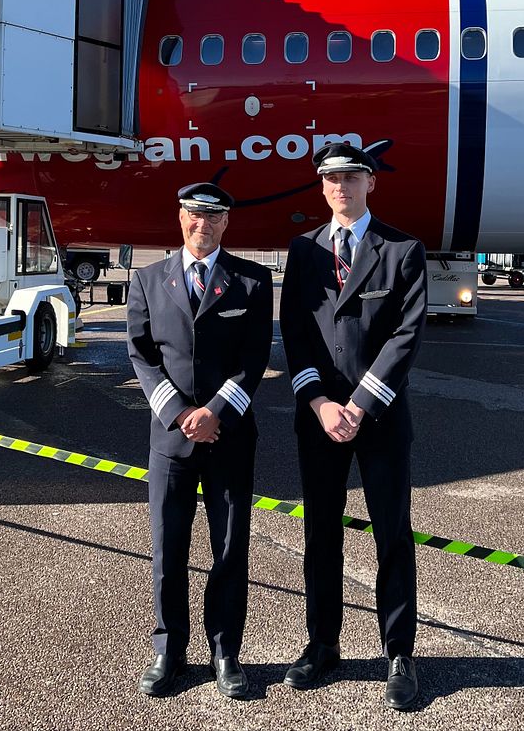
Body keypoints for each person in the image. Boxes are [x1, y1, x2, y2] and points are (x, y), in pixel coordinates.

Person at [279, 143, 427, 711]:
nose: (341, 186)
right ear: (322, 188)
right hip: (320, 419)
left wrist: (360, 403)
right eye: (331, 178)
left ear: (371, 184)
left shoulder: (401, 250)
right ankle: (322, 645)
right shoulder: (303, 251)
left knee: (392, 534)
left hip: (381, 417)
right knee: (321, 534)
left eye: (351, 176)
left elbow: (406, 337)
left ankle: (399, 651)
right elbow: (296, 332)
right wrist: (319, 403)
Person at [127, 182, 273, 699]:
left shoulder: (252, 281)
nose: (202, 225)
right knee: (168, 549)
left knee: (229, 550)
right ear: (180, 215)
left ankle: (226, 651)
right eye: (194, 215)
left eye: (213, 218)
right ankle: (169, 649)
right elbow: (142, 355)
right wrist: (179, 412)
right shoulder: (147, 279)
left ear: (226, 224)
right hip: (171, 441)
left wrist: (214, 412)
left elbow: (255, 358)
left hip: (230, 437)